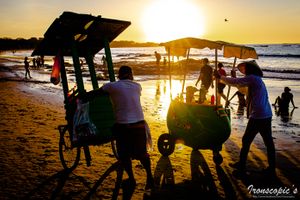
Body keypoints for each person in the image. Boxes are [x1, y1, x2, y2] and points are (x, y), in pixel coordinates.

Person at [89, 66, 154, 189]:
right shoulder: (137, 86)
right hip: (140, 125)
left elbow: (97, 92)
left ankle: (131, 178)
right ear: (131, 75)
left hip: (124, 127)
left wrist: (84, 96)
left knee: (124, 155)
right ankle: (150, 177)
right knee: (143, 154)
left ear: (119, 75)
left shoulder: (112, 86)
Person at [215, 61, 276, 176]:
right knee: (268, 142)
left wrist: (221, 77)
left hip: (259, 115)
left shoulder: (253, 78)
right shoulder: (256, 79)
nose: (244, 70)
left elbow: (237, 82)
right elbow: (242, 89)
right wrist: (233, 78)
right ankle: (270, 168)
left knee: (247, 140)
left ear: (250, 70)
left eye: (245, 68)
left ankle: (242, 167)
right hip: (266, 114)